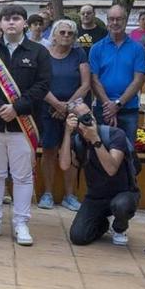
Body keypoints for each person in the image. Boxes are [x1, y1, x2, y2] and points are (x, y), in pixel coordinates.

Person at [0, 3, 52, 247]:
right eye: (7, 19)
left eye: (16, 18)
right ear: (1, 23)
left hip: (23, 124)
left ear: (25, 23)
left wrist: (17, 108)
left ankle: (21, 223)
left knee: (22, 176)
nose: (11, 23)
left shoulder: (39, 52)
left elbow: (43, 84)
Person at [35, 19, 95, 211]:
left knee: (72, 151)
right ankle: (47, 193)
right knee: (49, 151)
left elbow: (85, 85)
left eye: (70, 33)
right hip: (48, 110)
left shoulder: (79, 54)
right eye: (62, 32)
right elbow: (39, 83)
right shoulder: (43, 54)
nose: (66, 36)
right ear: (54, 34)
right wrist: (56, 105)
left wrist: (67, 107)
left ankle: (70, 195)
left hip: (74, 110)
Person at [62, 102, 139, 246]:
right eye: (83, 117)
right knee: (78, 237)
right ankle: (102, 224)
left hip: (123, 193)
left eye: (89, 114)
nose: (89, 119)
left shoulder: (115, 134)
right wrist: (67, 132)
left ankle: (119, 228)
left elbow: (111, 169)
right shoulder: (77, 141)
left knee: (121, 205)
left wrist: (95, 139)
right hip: (96, 197)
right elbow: (64, 165)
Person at [87, 3, 145, 129]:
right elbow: (93, 79)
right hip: (103, 109)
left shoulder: (137, 48)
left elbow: (138, 80)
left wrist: (118, 104)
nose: (115, 22)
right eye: (111, 19)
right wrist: (109, 106)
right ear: (107, 21)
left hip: (129, 109)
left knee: (128, 143)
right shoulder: (96, 48)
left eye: (119, 19)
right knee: (100, 142)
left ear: (125, 21)